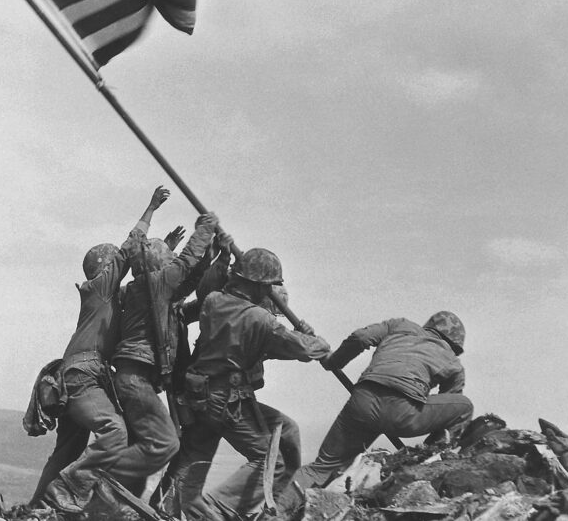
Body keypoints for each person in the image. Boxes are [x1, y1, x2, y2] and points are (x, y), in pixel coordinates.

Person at [31, 186, 172, 510]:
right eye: (115, 266)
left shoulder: (104, 297)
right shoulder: (100, 288)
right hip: (83, 376)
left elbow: (145, 277)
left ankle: (36, 510)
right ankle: (68, 490)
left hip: (73, 377)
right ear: (105, 268)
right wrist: (150, 209)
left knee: (67, 450)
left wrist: (165, 251)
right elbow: (130, 249)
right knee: (114, 432)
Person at [169, 248, 330, 520]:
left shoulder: (214, 302)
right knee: (271, 461)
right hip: (227, 400)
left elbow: (258, 340)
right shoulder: (260, 320)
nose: (268, 292)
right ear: (256, 284)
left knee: (283, 431)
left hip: (200, 396)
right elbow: (304, 350)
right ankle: (220, 508)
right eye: (267, 286)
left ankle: (179, 510)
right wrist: (316, 340)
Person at [292, 311, 473, 490]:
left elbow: (361, 337)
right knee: (464, 406)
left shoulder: (400, 325)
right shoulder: (453, 363)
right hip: (403, 413)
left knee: (320, 468)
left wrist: (334, 361)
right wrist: (427, 449)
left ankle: (274, 510)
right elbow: (446, 410)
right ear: (454, 345)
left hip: (363, 402)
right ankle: (428, 461)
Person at [109, 210, 222, 495]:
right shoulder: (155, 284)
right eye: (167, 261)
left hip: (136, 378)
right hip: (136, 379)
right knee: (166, 443)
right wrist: (205, 228)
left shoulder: (147, 292)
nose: (173, 266)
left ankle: (119, 503)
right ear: (159, 265)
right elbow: (186, 264)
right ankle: (90, 476)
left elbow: (192, 280)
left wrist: (215, 254)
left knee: (142, 449)